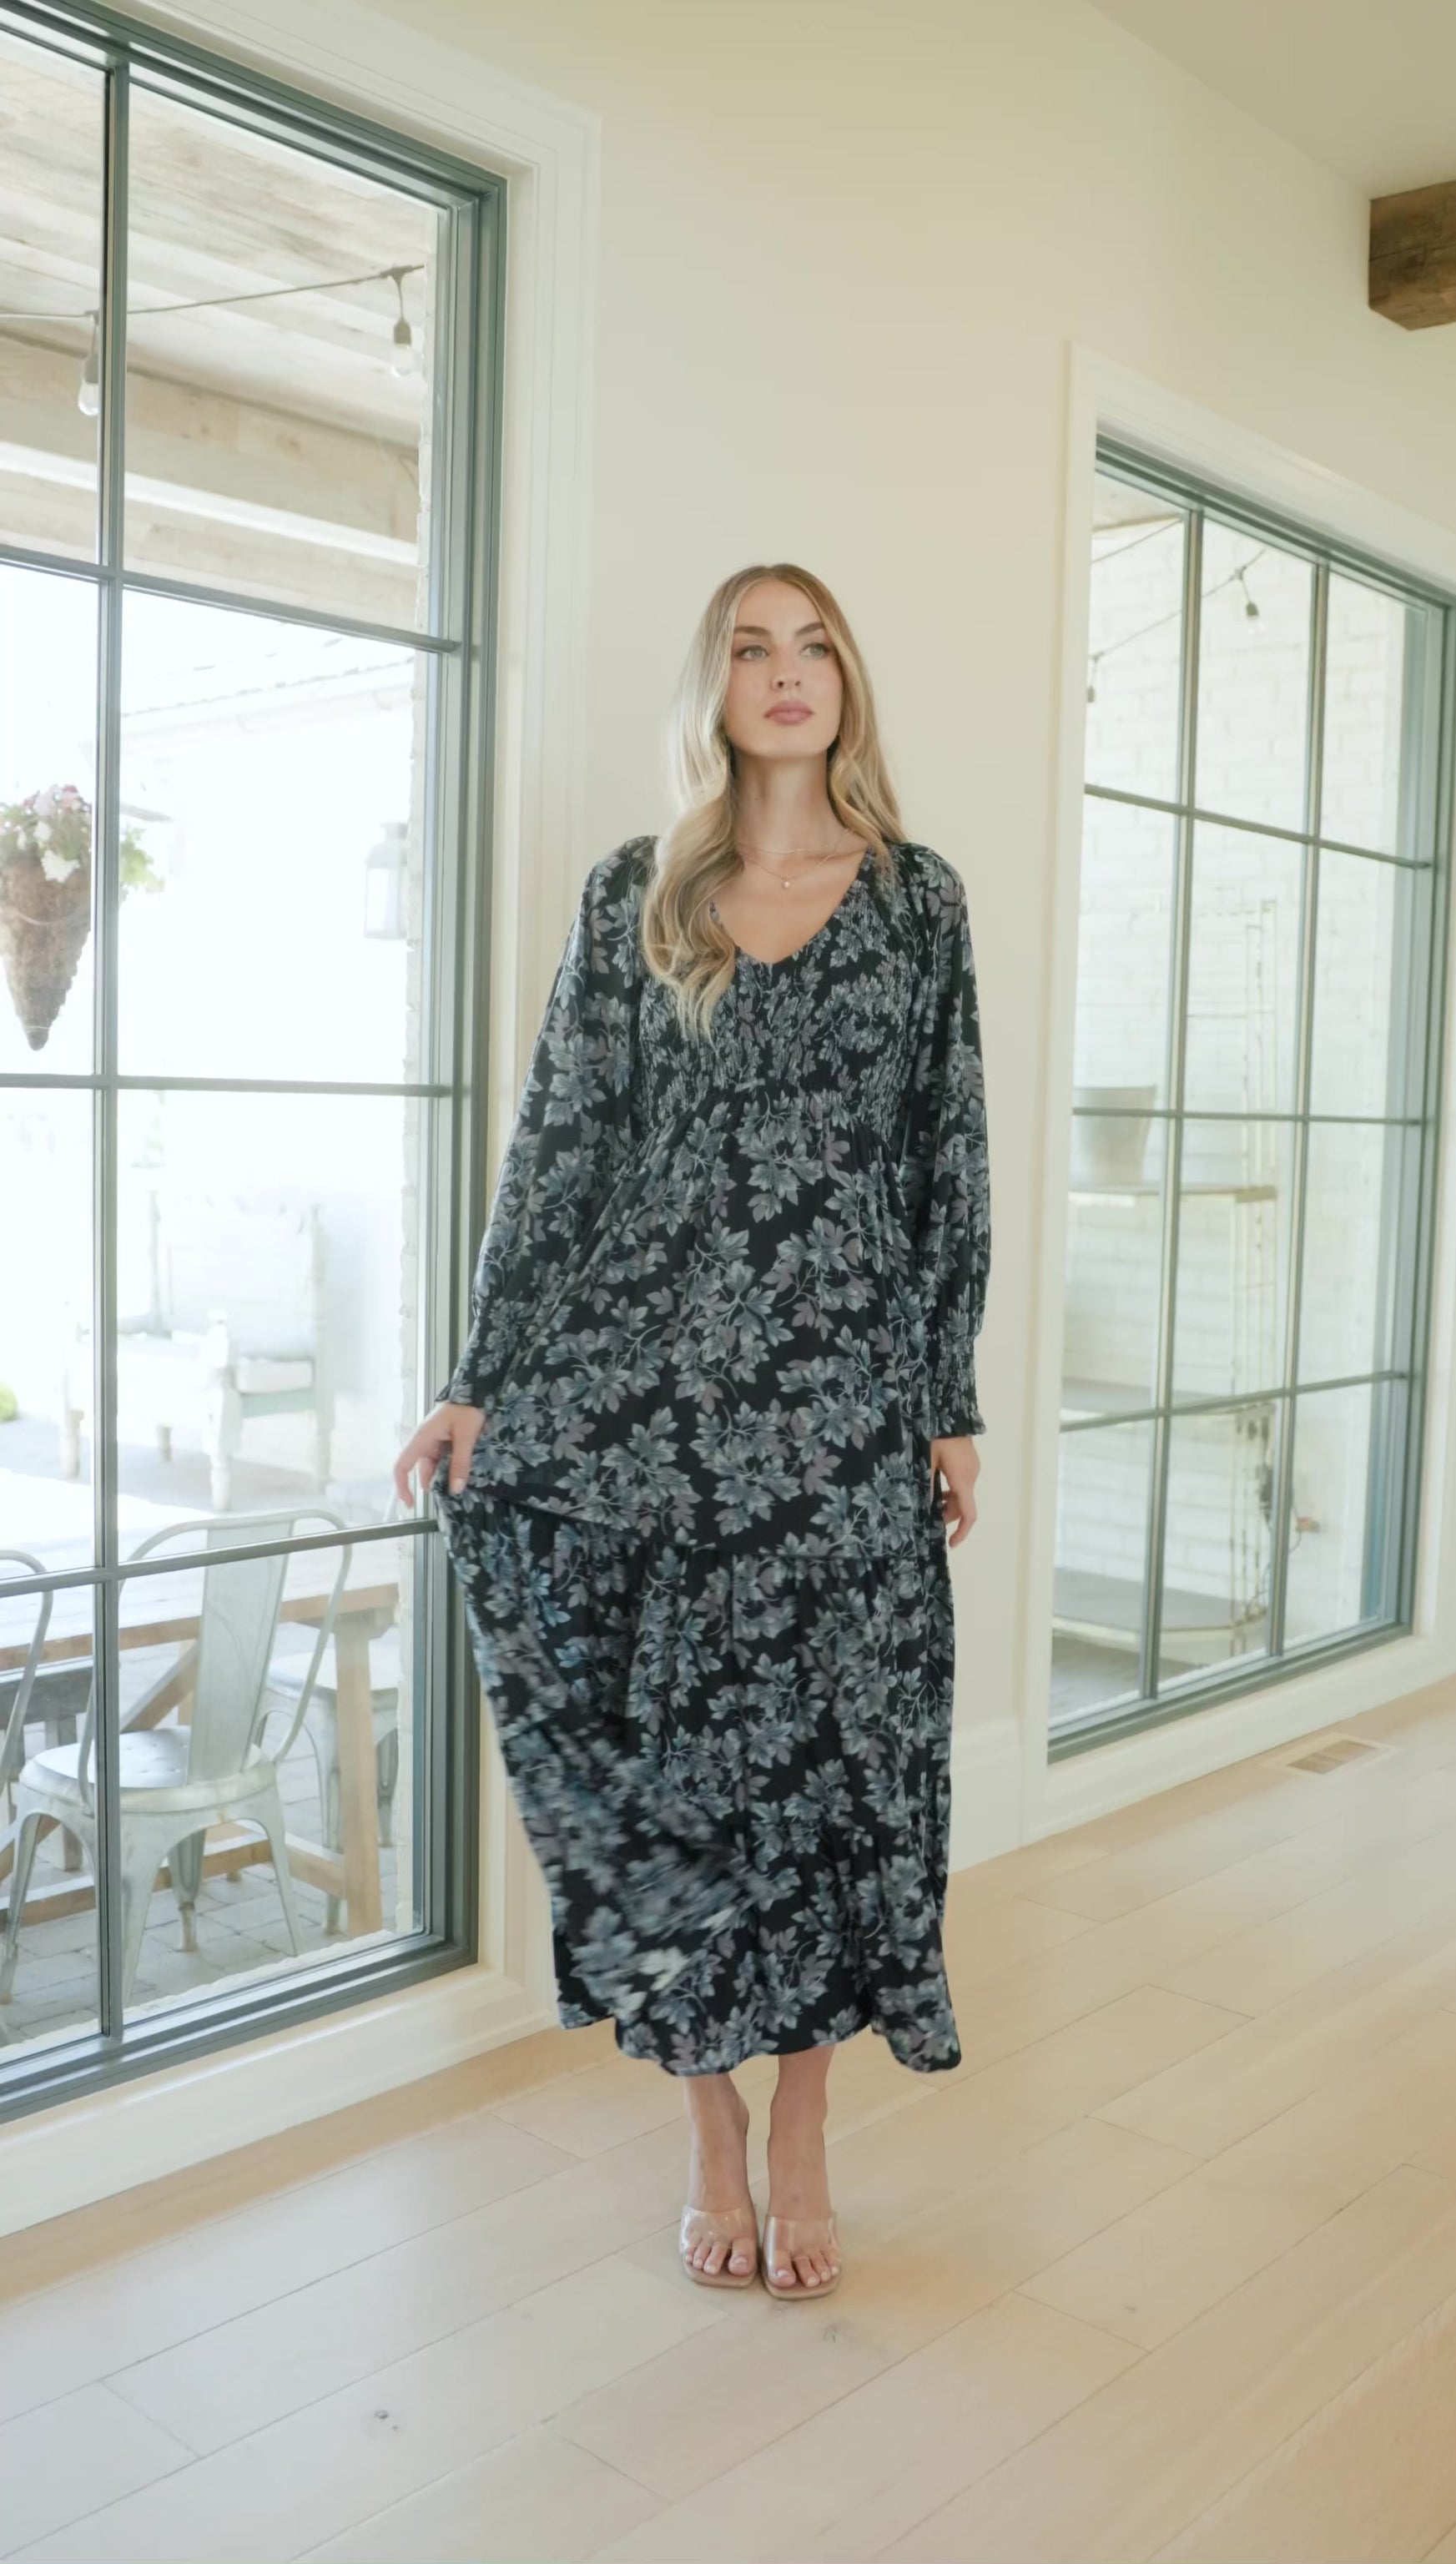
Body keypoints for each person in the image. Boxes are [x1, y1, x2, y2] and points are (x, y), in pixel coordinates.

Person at [393, 562, 991, 2303]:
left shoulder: (918, 902)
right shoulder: (633, 896)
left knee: (838, 1762)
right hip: (658, 1414)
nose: (785, 672)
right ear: (712, 687)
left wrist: (946, 1397)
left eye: (813, 647)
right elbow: (560, 1146)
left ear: (846, 684)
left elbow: (947, 1155)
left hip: (844, 1411)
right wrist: (482, 1374)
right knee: (684, 1774)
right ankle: (708, 2126)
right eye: (750, 646)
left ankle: (805, 2116)